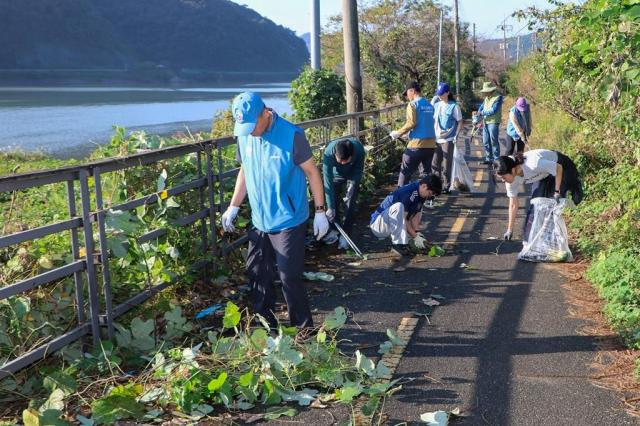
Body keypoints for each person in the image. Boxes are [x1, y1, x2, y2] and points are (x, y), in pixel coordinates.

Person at [221, 92, 329, 330]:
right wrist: (234, 205)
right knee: (256, 273)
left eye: (252, 125)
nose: (250, 132)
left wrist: (320, 211)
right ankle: (265, 326)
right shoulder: (246, 135)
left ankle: (303, 329)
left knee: (289, 276)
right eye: (244, 127)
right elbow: (245, 170)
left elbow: (312, 172)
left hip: (288, 217)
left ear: (265, 113)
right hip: (260, 218)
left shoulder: (292, 135)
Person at [493, 149, 583, 241]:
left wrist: (557, 191)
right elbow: (513, 205)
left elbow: (558, 168)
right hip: (542, 175)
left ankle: (575, 183)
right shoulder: (510, 181)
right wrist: (510, 230)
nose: (503, 180)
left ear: (512, 170)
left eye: (503, 177)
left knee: (573, 199)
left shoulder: (534, 164)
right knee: (536, 206)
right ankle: (536, 243)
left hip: (561, 165)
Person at [370, 174, 442, 256]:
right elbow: (403, 219)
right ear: (424, 186)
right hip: (378, 225)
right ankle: (398, 244)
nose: (429, 196)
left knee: (418, 209)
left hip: (391, 223)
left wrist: (417, 233)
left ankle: (408, 240)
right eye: (430, 193)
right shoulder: (408, 193)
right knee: (399, 206)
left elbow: (416, 213)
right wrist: (415, 237)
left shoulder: (421, 192)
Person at [390, 81, 437, 187]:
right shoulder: (429, 105)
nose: (407, 97)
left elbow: (411, 122)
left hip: (416, 145)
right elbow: (427, 122)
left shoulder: (413, 105)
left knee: (405, 172)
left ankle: (399, 196)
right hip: (430, 145)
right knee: (426, 173)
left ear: (413, 91)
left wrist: (398, 133)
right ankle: (428, 200)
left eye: (407, 93)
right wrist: (408, 134)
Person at [321, 137, 365, 249]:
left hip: (352, 174)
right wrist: (330, 207)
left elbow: (359, 169)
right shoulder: (328, 153)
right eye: (339, 160)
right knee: (332, 201)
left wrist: (353, 184)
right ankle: (334, 231)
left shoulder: (359, 150)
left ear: (352, 156)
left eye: (345, 161)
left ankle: (346, 235)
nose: (342, 163)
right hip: (335, 176)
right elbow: (327, 182)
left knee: (350, 202)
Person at [432, 82, 463, 193]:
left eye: (441, 94)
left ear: (447, 93)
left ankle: (446, 186)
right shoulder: (436, 105)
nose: (439, 96)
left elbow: (459, 121)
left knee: (446, 164)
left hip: (448, 139)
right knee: (435, 164)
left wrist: (456, 135)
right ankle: (436, 186)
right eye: (438, 94)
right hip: (436, 138)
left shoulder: (454, 106)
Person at [478, 82, 503, 164]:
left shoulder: (498, 97)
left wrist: (482, 113)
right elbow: (482, 106)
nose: (484, 93)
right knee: (485, 141)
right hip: (485, 121)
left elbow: (494, 110)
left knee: (494, 141)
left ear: (490, 90)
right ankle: (489, 159)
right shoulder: (487, 98)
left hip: (493, 122)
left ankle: (496, 160)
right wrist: (479, 111)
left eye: (485, 91)